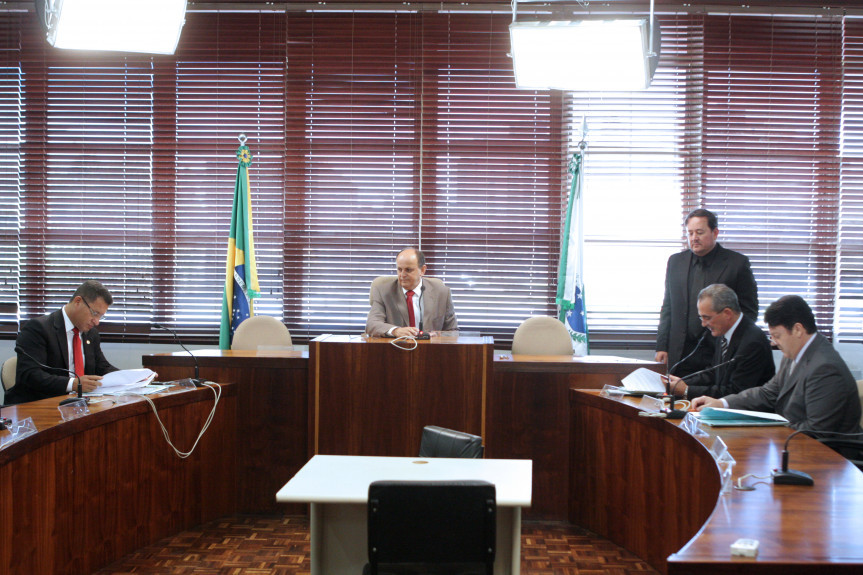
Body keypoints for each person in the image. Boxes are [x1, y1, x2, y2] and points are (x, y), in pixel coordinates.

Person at [691, 295, 862, 436]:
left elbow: (816, 431)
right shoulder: (795, 352)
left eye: (777, 336)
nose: (773, 342)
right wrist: (721, 404)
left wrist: (769, 432)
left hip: (831, 459)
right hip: (794, 442)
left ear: (797, 330)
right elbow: (768, 393)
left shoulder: (825, 368)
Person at [655, 208, 758, 376]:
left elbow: (749, 310)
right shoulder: (675, 262)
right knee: (678, 399)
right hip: (680, 352)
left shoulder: (737, 263)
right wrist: (662, 345)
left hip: (719, 351)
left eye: (700, 232)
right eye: (690, 233)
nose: (694, 238)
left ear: (715, 232)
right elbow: (668, 307)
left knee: (713, 398)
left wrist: (734, 344)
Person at [6, 280, 118, 404]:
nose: (96, 322)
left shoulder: (91, 334)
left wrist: (131, 378)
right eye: (94, 313)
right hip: (38, 405)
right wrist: (73, 384)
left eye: (101, 316)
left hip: (77, 406)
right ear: (78, 302)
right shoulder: (38, 328)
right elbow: (30, 375)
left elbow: (102, 367)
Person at [666, 284, 774, 400]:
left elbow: (735, 392)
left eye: (707, 318)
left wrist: (687, 390)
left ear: (727, 313)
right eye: (701, 318)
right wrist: (681, 382)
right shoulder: (723, 330)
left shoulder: (752, 342)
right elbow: (713, 373)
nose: (703, 324)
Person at [365, 247, 457, 337]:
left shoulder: (442, 293)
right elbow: (372, 324)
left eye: (408, 270)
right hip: (396, 348)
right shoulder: (383, 291)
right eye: (399, 269)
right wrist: (396, 331)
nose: (402, 275)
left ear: (422, 270)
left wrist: (436, 335)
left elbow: (453, 331)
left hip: (430, 349)